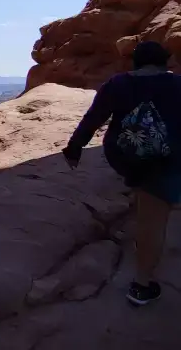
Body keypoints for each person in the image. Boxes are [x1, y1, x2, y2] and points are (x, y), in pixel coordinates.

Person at [63, 40, 181, 306]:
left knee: (146, 200)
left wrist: (74, 148)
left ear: (135, 62)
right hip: (163, 162)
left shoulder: (117, 84)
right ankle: (141, 286)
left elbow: (93, 118)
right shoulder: (177, 85)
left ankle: (143, 226)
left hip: (126, 157)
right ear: (165, 61)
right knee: (154, 221)